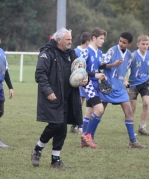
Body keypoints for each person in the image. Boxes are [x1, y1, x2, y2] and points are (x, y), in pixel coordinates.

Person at [31, 27, 104, 168]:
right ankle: (37, 149)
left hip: (68, 96)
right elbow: (40, 74)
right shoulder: (47, 53)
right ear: (59, 40)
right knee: (56, 124)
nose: (71, 41)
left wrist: (85, 80)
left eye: (71, 39)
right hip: (52, 96)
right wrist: (48, 91)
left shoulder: (72, 54)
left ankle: (55, 160)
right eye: (68, 39)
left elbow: (81, 72)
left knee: (62, 128)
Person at [99, 32, 147, 149]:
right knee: (99, 111)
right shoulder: (111, 50)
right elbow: (101, 65)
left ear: (129, 44)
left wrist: (125, 81)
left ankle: (133, 141)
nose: (121, 44)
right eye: (120, 41)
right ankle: (87, 137)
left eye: (124, 42)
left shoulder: (130, 56)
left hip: (120, 88)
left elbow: (123, 71)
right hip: (108, 86)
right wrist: (113, 64)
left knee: (129, 112)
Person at [80, 27, 107, 148]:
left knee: (90, 112)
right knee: (100, 109)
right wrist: (95, 75)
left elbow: (96, 68)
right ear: (94, 38)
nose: (103, 41)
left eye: (103, 39)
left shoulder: (99, 53)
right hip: (88, 84)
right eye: (101, 38)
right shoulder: (86, 52)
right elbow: (80, 70)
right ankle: (87, 136)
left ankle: (84, 141)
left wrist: (101, 75)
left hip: (96, 84)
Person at [70, 32, 92, 134]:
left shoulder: (89, 51)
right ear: (88, 42)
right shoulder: (75, 51)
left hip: (85, 80)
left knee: (81, 103)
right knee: (78, 103)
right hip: (77, 81)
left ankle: (75, 125)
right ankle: (79, 126)